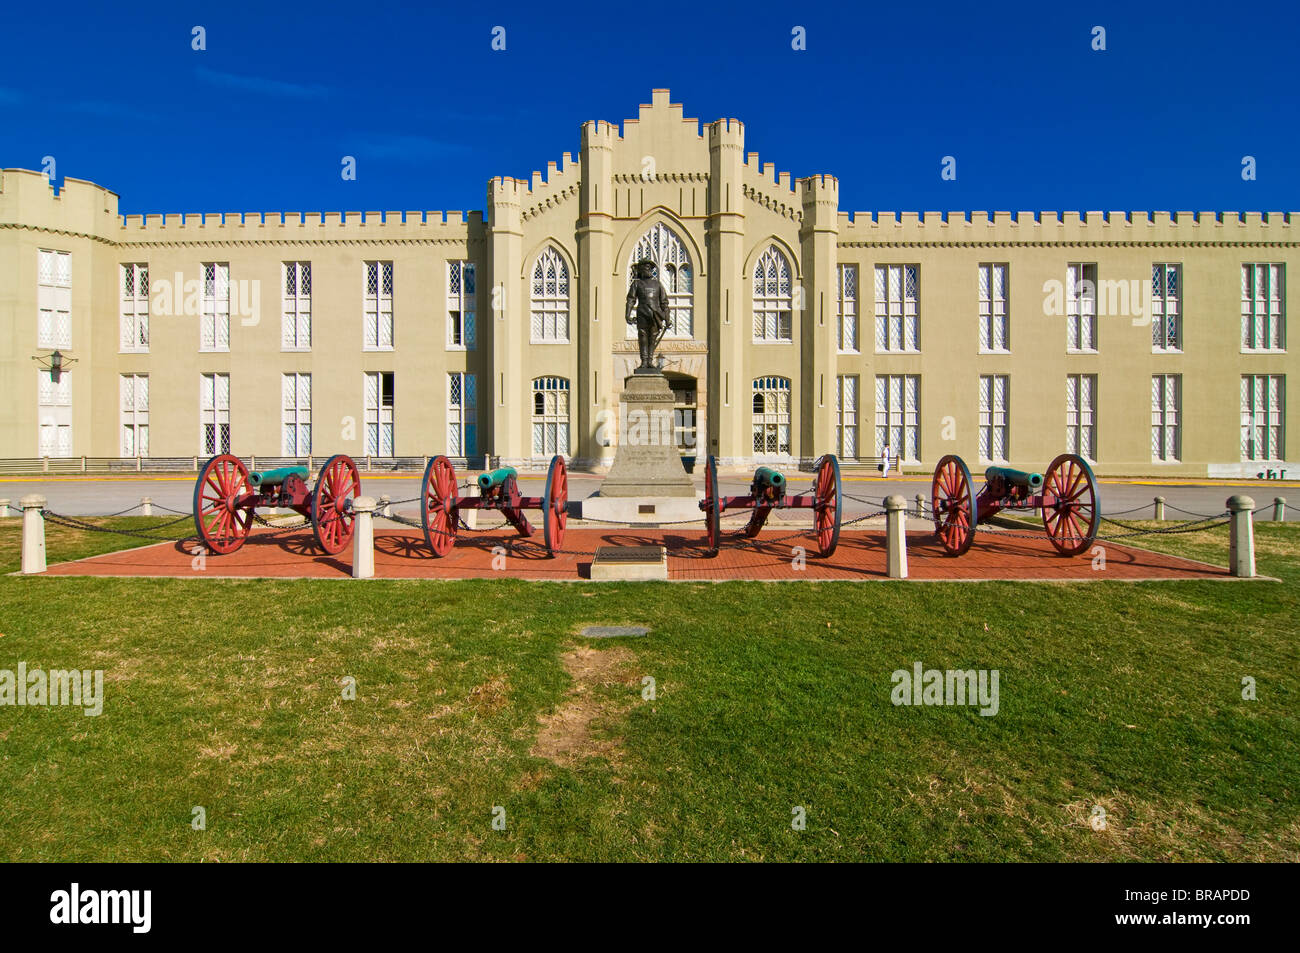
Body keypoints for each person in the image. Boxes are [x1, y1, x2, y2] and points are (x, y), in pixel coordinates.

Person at [625, 259, 670, 371]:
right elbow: (631, 299)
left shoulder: (658, 284)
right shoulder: (636, 283)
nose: (648, 269)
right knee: (643, 338)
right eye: (645, 267)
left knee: (652, 338)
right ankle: (644, 361)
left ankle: (650, 361)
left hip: (655, 315)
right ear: (641, 270)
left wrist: (667, 319)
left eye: (649, 267)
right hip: (642, 314)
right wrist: (628, 315)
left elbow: (664, 303)